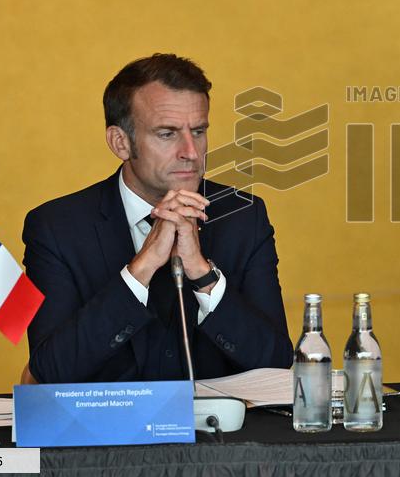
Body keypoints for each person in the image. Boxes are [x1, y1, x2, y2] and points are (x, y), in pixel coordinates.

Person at [23, 54, 292, 383]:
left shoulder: (243, 216)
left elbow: (277, 365)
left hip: (222, 433)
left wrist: (202, 274)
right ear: (120, 142)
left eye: (198, 131)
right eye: (167, 134)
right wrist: (142, 268)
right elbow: (50, 372)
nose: (191, 152)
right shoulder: (57, 228)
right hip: (107, 433)